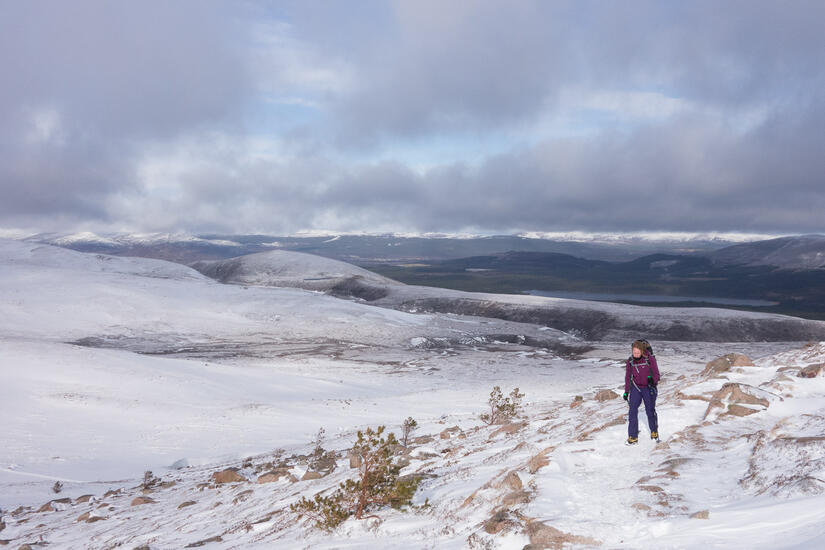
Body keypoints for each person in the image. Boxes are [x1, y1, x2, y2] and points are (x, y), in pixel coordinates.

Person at [623, 340, 660, 444]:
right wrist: (626, 391)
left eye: (638, 353)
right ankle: (633, 436)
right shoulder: (630, 361)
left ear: (642, 351)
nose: (636, 355)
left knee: (650, 410)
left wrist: (652, 380)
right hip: (636, 388)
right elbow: (627, 377)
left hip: (648, 388)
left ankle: (654, 431)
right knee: (632, 411)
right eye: (634, 352)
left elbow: (656, 374)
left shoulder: (650, 359)